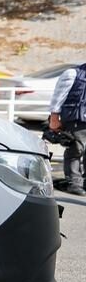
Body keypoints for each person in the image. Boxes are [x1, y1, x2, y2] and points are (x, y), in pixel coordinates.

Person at [49, 62, 86, 196]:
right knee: (75, 150)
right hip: (76, 119)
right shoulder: (73, 73)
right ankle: (74, 183)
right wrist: (54, 117)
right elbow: (58, 97)